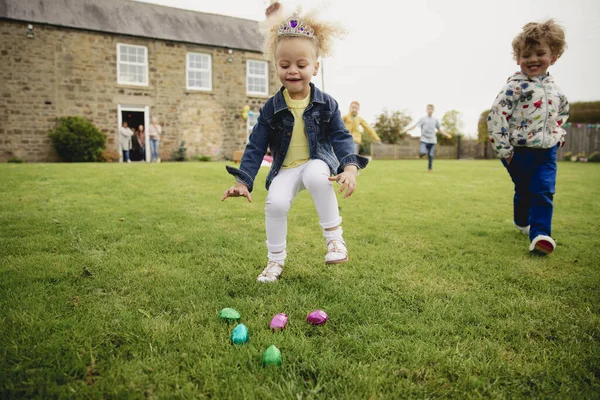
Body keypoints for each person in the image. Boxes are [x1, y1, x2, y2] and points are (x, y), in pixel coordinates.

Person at [221, 6, 368, 282]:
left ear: (315, 67)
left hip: (316, 161)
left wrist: (349, 167)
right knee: (275, 204)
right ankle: (275, 263)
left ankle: (335, 241)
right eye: (285, 65)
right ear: (276, 65)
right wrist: (243, 181)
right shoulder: (271, 109)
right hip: (285, 169)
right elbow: (255, 146)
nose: (293, 71)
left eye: (301, 65)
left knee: (316, 175)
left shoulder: (327, 103)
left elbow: (340, 136)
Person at [487, 19, 569, 255]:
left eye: (540, 53)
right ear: (518, 58)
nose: (533, 59)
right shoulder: (513, 87)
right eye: (526, 55)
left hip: (546, 151)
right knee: (523, 190)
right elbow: (496, 117)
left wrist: (558, 133)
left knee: (543, 190)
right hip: (518, 151)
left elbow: (562, 112)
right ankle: (521, 221)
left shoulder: (556, 90)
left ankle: (541, 234)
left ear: (553, 56)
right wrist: (505, 152)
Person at [403, 104, 451, 171]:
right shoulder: (422, 119)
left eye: (431, 109)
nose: (430, 110)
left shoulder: (435, 120)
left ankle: (430, 168)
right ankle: (420, 155)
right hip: (424, 139)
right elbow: (415, 125)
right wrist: (407, 129)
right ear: (426, 110)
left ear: (433, 110)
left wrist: (446, 134)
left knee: (431, 155)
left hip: (432, 140)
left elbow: (439, 129)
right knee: (423, 152)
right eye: (429, 109)